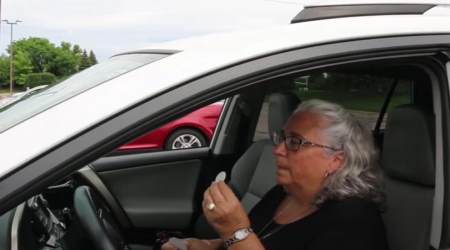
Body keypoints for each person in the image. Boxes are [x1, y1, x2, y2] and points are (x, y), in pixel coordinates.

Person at [162, 99, 389, 250]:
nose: (278, 149)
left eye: (295, 142)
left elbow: (244, 237)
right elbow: (259, 239)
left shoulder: (354, 222)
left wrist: (235, 231)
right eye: (282, 138)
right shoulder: (283, 194)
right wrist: (210, 245)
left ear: (335, 160)